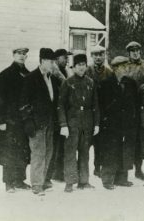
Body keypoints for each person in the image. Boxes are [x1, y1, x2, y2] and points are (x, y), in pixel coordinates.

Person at [19, 48, 60, 196]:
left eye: (54, 61)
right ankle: (36, 184)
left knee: (48, 152)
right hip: (36, 123)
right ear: (42, 61)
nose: (53, 64)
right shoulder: (31, 78)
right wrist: (28, 121)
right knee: (38, 153)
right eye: (50, 61)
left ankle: (43, 180)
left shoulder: (53, 79)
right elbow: (23, 103)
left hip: (50, 123)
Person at [58, 54, 100, 193]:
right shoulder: (68, 82)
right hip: (72, 123)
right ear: (74, 67)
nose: (81, 68)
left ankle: (84, 181)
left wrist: (96, 124)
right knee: (70, 153)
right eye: (78, 65)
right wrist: (63, 124)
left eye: (84, 65)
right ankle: (69, 182)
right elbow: (61, 105)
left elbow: (95, 105)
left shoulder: (90, 82)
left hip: (86, 123)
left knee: (85, 152)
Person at [0, 46, 31, 193]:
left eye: (24, 54)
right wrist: (0, 120)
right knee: (9, 151)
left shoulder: (29, 75)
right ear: (13, 55)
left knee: (23, 150)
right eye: (19, 53)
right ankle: (8, 182)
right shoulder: (5, 75)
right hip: (9, 121)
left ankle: (20, 180)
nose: (22, 56)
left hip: (24, 120)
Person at [98, 56, 138, 190]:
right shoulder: (105, 84)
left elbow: (134, 103)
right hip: (111, 124)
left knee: (125, 149)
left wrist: (133, 120)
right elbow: (101, 105)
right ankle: (107, 179)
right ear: (115, 69)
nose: (126, 69)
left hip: (126, 123)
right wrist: (103, 121)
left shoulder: (131, 83)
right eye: (123, 66)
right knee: (110, 150)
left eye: (127, 66)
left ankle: (122, 178)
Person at [86, 45, 113, 177]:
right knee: (85, 142)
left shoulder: (109, 72)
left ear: (104, 56)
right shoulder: (86, 71)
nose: (98, 57)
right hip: (88, 111)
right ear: (91, 56)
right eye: (95, 55)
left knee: (100, 142)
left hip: (103, 112)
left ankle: (98, 167)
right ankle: (82, 171)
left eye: (100, 54)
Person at [46, 48, 72, 183]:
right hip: (55, 116)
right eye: (64, 57)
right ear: (56, 59)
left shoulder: (65, 72)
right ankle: (50, 174)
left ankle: (58, 172)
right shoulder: (54, 74)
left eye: (67, 58)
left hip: (63, 115)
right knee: (54, 146)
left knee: (61, 146)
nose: (67, 60)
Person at [124, 41, 144, 180]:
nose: (135, 52)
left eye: (137, 50)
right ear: (128, 52)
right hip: (128, 106)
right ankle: (125, 170)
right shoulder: (125, 66)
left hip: (143, 105)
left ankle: (139, 169)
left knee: (141, 139)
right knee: (128, 139)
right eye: (132, 50)